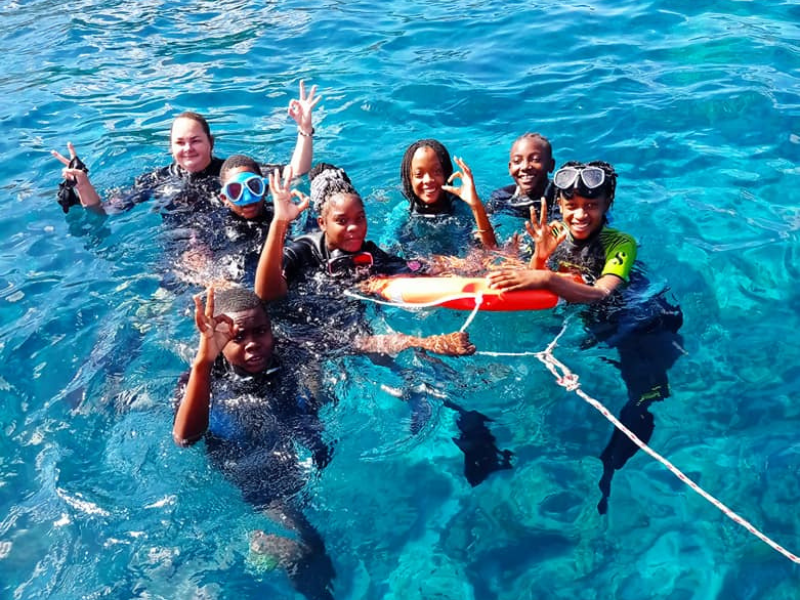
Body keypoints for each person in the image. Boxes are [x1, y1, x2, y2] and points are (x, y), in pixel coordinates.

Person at [487, 160, 684, 514]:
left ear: (607, 204)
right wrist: (541, 258)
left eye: (591, 206)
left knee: (645, 396)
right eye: (571, 206)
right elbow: (540, 287)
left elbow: (603, 292)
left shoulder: (620, 242)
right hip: (598, 324)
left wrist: (546, 278)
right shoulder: (555, 233)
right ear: (559, 205)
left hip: (642, 322)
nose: (580, 215)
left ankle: (613, 468)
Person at [173, 285, 335, 600]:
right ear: (219, 344)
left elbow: (321, 366)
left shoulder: (288, 355)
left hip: (288, 460)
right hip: (251, 482)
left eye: (260, 332)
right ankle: (264, 546)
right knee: (313, 548)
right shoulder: (204, 382)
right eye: (237, 338)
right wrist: (202, 364)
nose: (252, 344)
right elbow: (184, 439)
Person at [255, 163, 476, 358]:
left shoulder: (369, 254)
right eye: (341, 221)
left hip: (354, 337)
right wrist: (279, 222)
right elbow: (266, 295)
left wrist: (468, 265)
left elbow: (417, 268)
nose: (354, 229)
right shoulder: (303, 250)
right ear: (322, 223)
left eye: (360, 218)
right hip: (300, 343)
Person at [51, 80, 320, 217]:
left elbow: (295, 172)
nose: (188, 148)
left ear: (210, 143)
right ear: (171, 148)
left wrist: (304, 129)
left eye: (195, 141)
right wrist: (83, 185)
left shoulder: (232, 173)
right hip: (181, 246)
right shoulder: (156, 180)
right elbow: (105, 211)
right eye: (180, 143)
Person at [386, 138, 497, 255]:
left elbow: (492, 249)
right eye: (419, 174)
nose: (428, 180)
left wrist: (475, 205)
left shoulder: (462, 207)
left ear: (446, 174)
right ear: (409, 179)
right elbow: (387, 250)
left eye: (437, 172)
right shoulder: (403, 211)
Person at [486, 132, 557, 221]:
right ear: (510, 168)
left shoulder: (561, 197)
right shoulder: (502, 197)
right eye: (517, 161)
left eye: (535, 159)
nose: (525, 167)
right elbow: (481, 228)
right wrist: (475, 203)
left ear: (551, 165)